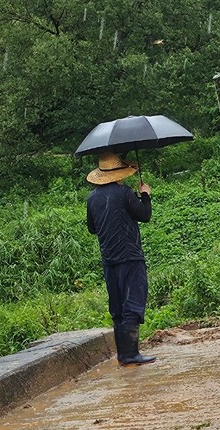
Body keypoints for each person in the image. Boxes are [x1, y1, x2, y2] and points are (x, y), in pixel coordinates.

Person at [86, 151, 156, 365]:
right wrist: (144, 194)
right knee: (133, 302)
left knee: (117, 306)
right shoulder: (124, 193)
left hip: (109, 258)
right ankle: (130, 353)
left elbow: (92, 229)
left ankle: (123, 354)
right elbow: (144, 215)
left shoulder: (92, 198)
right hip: (130, 256)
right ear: (119, 173)